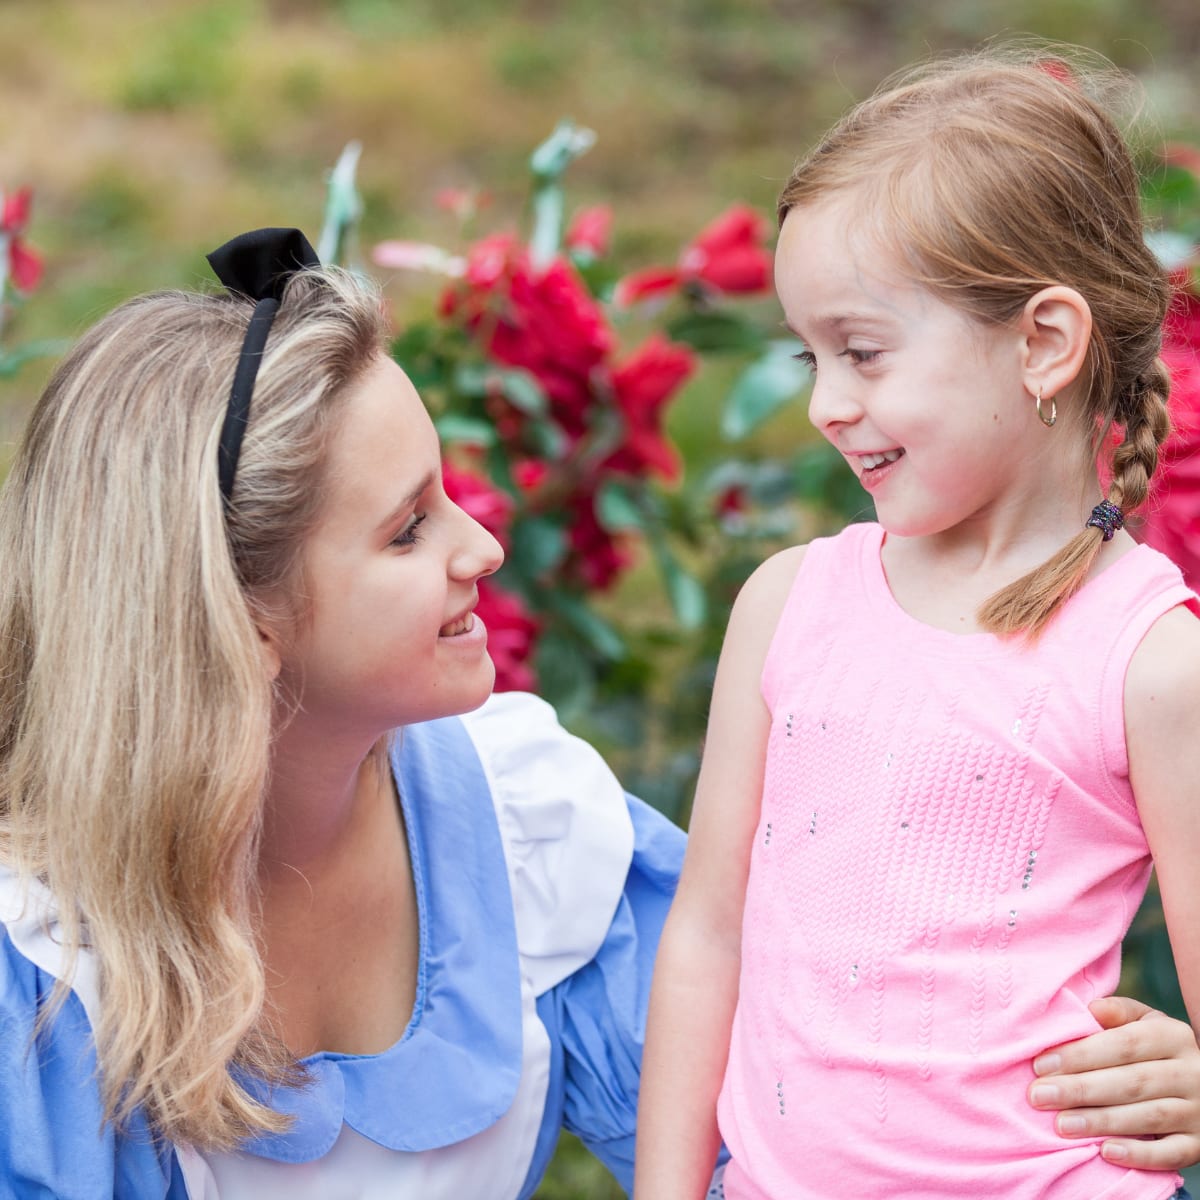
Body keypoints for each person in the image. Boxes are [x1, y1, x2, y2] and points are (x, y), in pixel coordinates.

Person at [0, 228, 1193, 1200]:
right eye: (408, 530)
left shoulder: (525, 833)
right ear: (241, 621)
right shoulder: (42, 980)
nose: (483, 546)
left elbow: (797, 1114)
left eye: (448, 493)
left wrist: (1116, 1079)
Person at [636, 46, 1200, 1200]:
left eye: (863, 352)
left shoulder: (1148, 661)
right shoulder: (788, 606)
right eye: (810, 355)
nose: (823, 403)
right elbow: (708, 935)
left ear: (1044, 344)